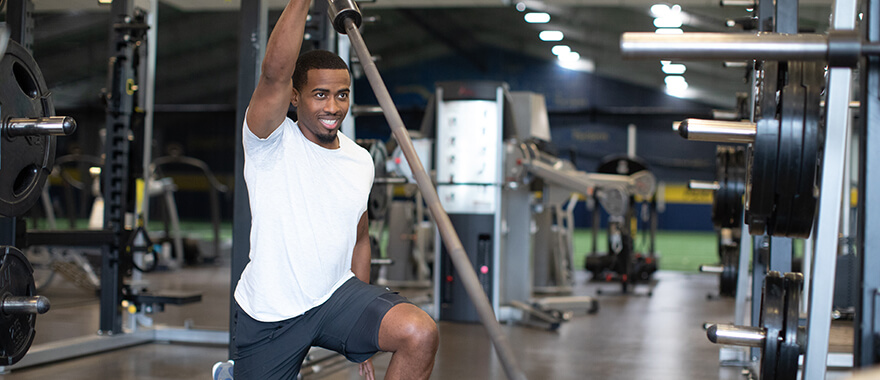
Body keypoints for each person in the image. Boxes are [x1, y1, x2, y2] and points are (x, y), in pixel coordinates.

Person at [229, 1, 439, 379]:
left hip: (336, 298)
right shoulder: (270, 140)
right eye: (320, 94)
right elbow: (275, 73)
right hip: (271, 312)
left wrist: (361, 336)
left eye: (341, 95)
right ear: (295, 97)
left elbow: (360, 239)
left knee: (419, 332)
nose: (333, 106)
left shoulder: (359, 160)